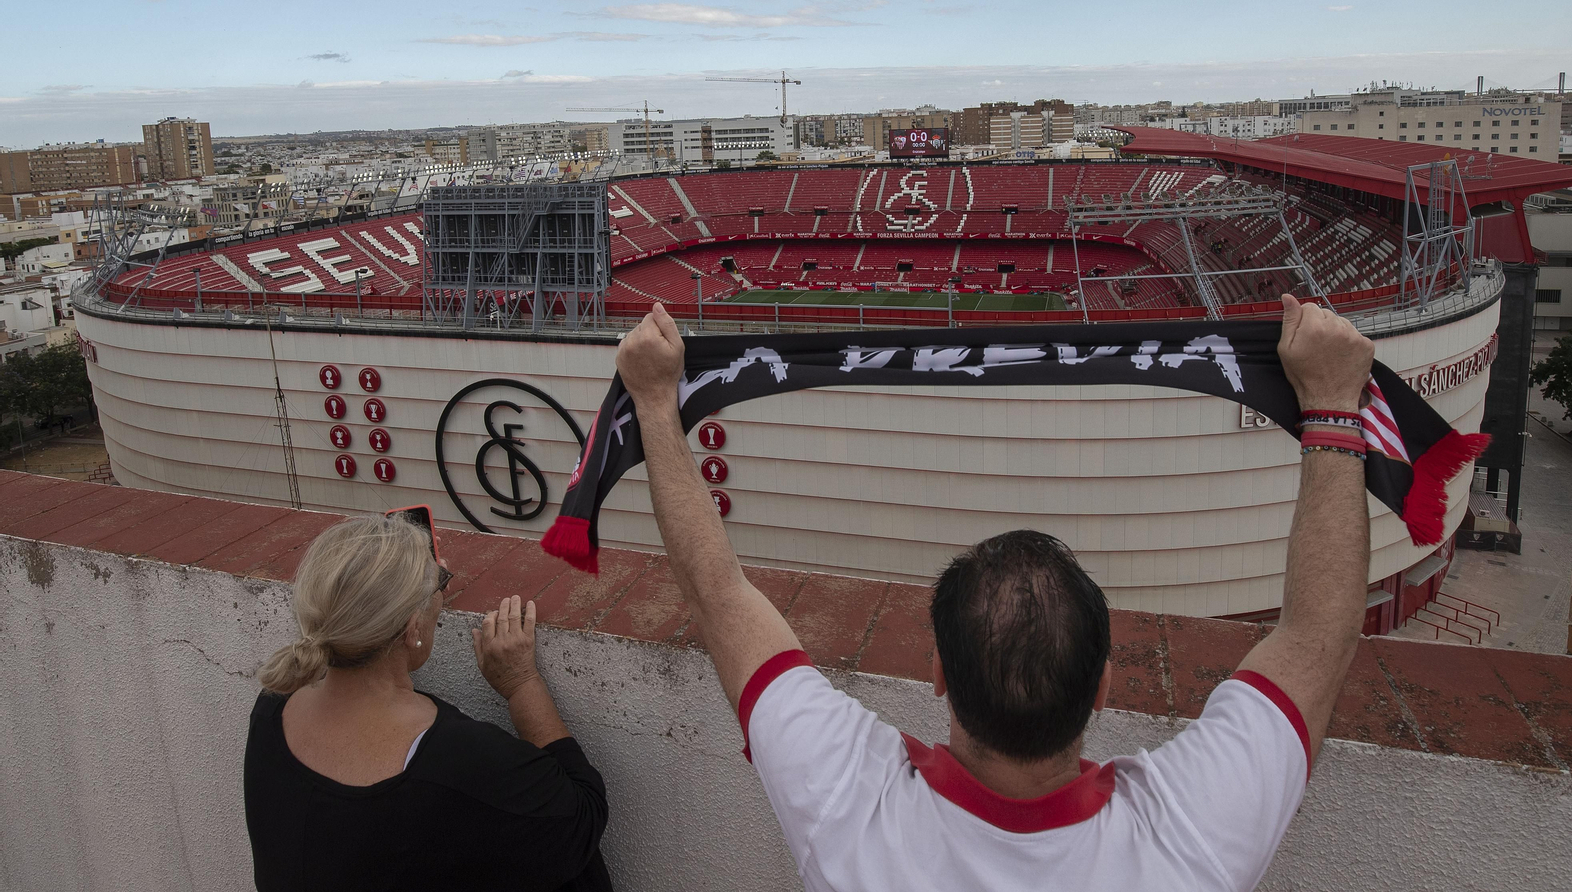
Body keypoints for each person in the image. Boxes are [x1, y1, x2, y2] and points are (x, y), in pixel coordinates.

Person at [615, 295, 1376, 891]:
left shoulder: (852, 813)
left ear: (938, 675)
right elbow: (1319, 636)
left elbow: (718, 593)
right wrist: (1335, 403)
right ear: (1104, 686)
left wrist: (654, 402)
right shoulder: (1189, 840)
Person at [244, 513, 611, 891]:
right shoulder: (459, 759)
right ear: (412, 628)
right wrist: (522, 684)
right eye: (440, 581)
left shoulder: (274, 706)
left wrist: (400, 587)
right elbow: (583, 817)